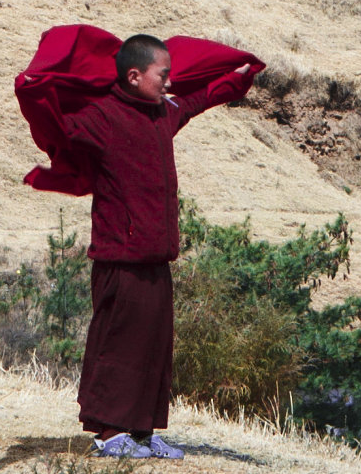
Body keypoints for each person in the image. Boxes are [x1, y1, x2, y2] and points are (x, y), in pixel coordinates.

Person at [20, 28, 262, 461]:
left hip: (155, 255)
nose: (170, 83)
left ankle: (143, 433)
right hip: (119, 256)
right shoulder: (101, 117)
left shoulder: (162, 113)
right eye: (162, 75)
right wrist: (35, 93)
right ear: (134, 76)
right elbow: (57, 126)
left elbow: (198, 99)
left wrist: (237, 79)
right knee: (117, 345)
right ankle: (110, 434)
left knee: (152, 347)